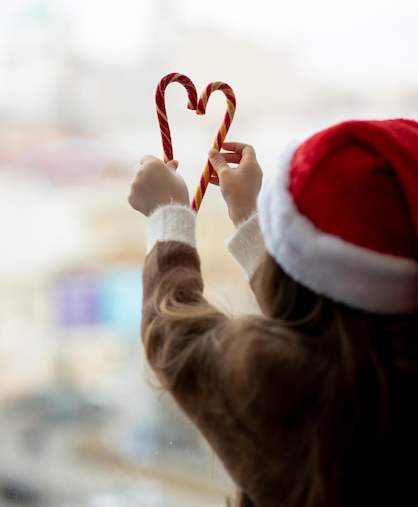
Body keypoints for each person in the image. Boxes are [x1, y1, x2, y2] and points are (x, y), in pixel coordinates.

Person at [128, 118, 418, 507]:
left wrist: (167, 215)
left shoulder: (295, 387)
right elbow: (328, 305)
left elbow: (179, 343)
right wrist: (248, 215)